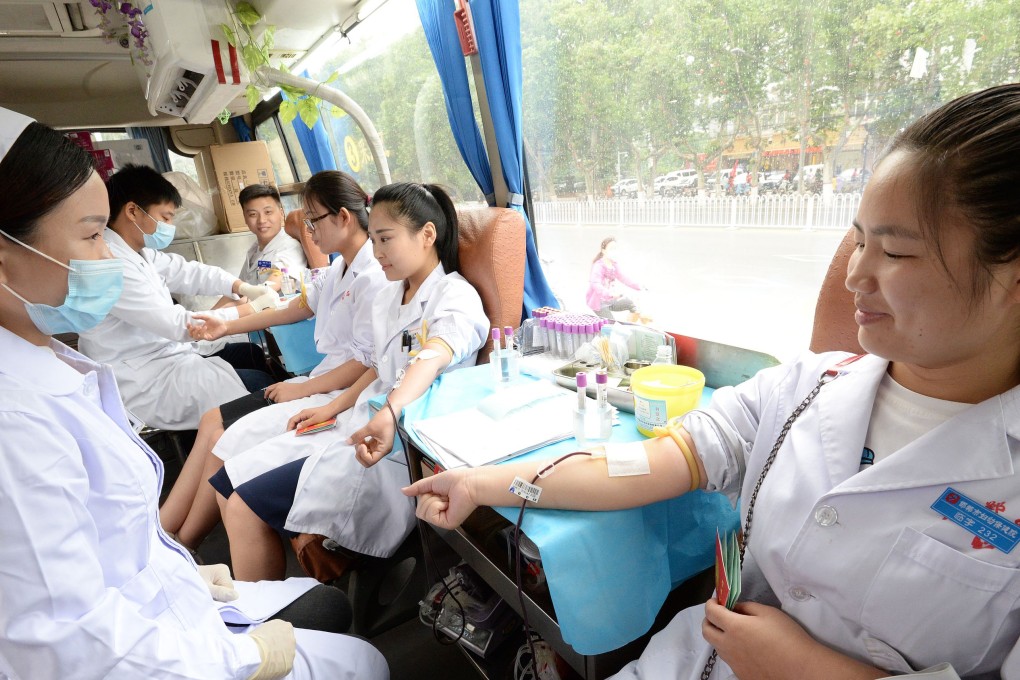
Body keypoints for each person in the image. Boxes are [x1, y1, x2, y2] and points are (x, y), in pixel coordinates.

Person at [405, 84, 1020, 679]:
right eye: (858, 241)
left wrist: (811, 671)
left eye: (897, 252)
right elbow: (642, 465)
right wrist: (481, 483)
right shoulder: (805, 388)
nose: (856, 275)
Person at [0, 108, 387, 680]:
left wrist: (173, 570)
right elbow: (74, 645)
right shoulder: (18, 419)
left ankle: (178, 535)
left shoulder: (43, 367)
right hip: (158, 651)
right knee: (365, 662)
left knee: (227, 416)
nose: (108, 255)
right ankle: (183, 534)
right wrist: (245, 659)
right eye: (90, 236)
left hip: (158, 604)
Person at [207, 182, 488, 581]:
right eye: (373, 239)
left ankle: (262, 625)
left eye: (386, 239)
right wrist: (329, 407)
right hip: (355, 422)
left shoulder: (455, 298)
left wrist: (390, 411)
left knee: (242, 504)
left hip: (395, 450)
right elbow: (376, 366)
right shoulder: (392, 296)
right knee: (226, 482)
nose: (377, 252)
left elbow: (431, 357)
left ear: (427, 235)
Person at [160, 171, 388, 553]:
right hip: (321, 382)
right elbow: (292, 306)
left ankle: (181, 540)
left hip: (334, 390)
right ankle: (174, 536)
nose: (307, 230)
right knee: (214, 426)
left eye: (313, 219)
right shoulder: (337, 269)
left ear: (344, 217)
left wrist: (302, 388)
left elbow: (370, 362)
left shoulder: (375, 276)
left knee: (220, 435)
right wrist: (227, 322)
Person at [77, 164, 280, 430]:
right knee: (262, 387)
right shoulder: (112, 264)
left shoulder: (139, 252)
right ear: (133, 211)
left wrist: (240, 286)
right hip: (144, 379)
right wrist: (246, 309)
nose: (170, 226)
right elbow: (176, 323)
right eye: (166, 217)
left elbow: (188, 272)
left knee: (250, 355)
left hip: (163, 357)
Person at [236, 183, 306, 291]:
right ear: (245, 218)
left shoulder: (290, 247)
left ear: (281, 213)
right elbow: (238, 288)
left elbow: (267, 290)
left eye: (268, 212)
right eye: (253, 214)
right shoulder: (254, 250)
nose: (262, 220)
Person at [586, 236, 645, 321]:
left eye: (616, 249)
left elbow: (624, 278)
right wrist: (610, 294)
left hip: (610, 300)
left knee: (631, 304)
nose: (614, 251)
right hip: (599, 303)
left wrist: (639, 286)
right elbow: (595, 284)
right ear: (604, 251)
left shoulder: (614, 264)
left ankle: (631, 326)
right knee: (611, 325)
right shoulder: (598, 266)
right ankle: (609, 331)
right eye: (612, 248)